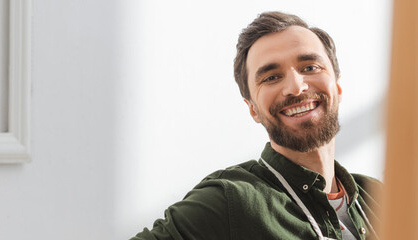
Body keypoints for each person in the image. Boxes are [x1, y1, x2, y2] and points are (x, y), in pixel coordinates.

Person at [132, 11, 381, 240]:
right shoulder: (230, 199)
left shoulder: (380, 196)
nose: (296, 87)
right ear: (253, 108)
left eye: (309, 67)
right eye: (271, 77)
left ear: (337, 86)